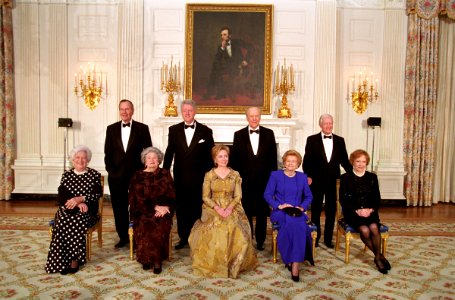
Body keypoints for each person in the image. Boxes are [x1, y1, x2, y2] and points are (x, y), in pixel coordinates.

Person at [189, 144, 258, 278]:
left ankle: (234, 264)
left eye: (225, 156)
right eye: (220, 156)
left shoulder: (235, 174)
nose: (224, 159)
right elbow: (205, 197)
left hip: (232, 206)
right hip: (212, 206)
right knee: (217, 227)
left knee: (235, 227)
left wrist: (229, 208)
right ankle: (218, 265)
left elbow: (238, 196)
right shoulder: (209, 175)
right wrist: (218, 208)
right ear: (215, 159)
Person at [163, 99, 214, 250]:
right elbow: (169, 153)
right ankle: (183, 237)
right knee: (182, 209)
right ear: (181, 112)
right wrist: (164, 174)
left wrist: (209, 178)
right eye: (184, 110)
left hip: (199, 178)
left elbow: (210, 156)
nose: (187, 113)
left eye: (190, 110)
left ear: (195, 111)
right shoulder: (173, 130)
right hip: (180, 177)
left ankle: (196, 237)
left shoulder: (206, 131)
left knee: (197, 208)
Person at [46, 145, 102, 275]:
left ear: (88, 160)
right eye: (77, 157)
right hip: (69, 208)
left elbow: (96, 194)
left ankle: (74, 260)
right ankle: (61, 261)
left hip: (87, 209)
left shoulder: (94, 174)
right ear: (72, 160)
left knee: (76, 221)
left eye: (84, 158)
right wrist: (76, 204)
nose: (80, 160)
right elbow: (62, 195)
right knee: (61, 221)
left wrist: (80, 199)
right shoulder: (67, 175)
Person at [104, 99, 152, 248]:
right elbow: (108, 153)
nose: (124, 112)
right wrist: (111, 170)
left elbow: (148, 152)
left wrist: (144, 172)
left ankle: (137, 236)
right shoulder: (111, 129)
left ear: (132, 110)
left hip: (137, 176)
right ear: (119, 111)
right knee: (119, 207)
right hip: (116, 176)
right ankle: (123, 237)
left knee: (137, 207)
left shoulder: (142, 128)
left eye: (127, 109)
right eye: (122, 109)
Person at [231, 106, 277, 251]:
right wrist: (237, 181)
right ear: (247, 117)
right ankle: (248, 239)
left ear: (260, 117)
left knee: (263, 211)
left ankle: (261, 240)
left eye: (257, 116)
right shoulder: (238, 135)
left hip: (264, 181)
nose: (254, 118)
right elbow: (235, 160)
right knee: (247, 211)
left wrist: (273, 182)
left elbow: (273, 160)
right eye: (252, 116)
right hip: (245, 181)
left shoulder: (269, 134)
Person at [264, 150, 314, 282]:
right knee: (294, 224)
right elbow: (267, 194)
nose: (291, 163)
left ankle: (294, 263)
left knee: (298, 225)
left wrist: (302, 207)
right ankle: (293, 261)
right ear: (284, 162)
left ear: (298, 164)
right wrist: (279, 205)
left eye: (294, 161)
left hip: (297, 211)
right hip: (280, 211)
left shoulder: (302, 177)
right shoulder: (275, 175)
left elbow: (309, 196)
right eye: (288, 161)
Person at [303, 113, 352, 248]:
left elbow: (344, 161)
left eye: (330, 123)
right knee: (316, 210)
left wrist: (353, 173)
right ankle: (316, 238)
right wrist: (308, 176)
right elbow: (307, 161)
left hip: (333, 181)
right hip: (316, 181)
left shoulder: (340, 140)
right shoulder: (312, 140)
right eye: (326, 123)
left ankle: (328, 239)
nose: (329, 126)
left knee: (331, 211)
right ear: (321, 125)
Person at [340, 149, 391, 274]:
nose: (360, 164)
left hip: (370, 212)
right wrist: (357, 211)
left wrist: (370, 210)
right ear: (353, 162)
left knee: (374, 227)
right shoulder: (345, 177)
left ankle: (377, 257)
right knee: (364, 230)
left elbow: (377, 198)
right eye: (358, 161)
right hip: (352, 213)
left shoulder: (372, 177)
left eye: (363, 161)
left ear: (366, 163)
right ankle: (379, 256)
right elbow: (343, 199)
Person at [128, 147, 175, 274]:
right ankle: (145, 259)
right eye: (149, 158)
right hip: (142, 210)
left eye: (155, 158)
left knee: (159, 223)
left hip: (163, 210)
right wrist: (154, 207)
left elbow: (172, 194)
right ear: (145, 160)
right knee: (145, 224)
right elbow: (136, 198)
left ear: (159, 160)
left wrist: (166, 208)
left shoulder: (165, 173)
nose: (152, 160)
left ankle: (157, 260)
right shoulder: (138, 175)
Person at [208, 27, 251, 100]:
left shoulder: (237, 42)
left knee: (218, 70)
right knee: (216, 68)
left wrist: (246, 60)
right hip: (228, 67)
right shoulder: (220, 46)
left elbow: (251, 47)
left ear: (230, 35)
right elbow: (217, 59)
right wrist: (222, 48)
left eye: (224, 35)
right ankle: (219, 93)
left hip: (239, 66)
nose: (222, 37)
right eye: (221, 35)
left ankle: (219, 93)